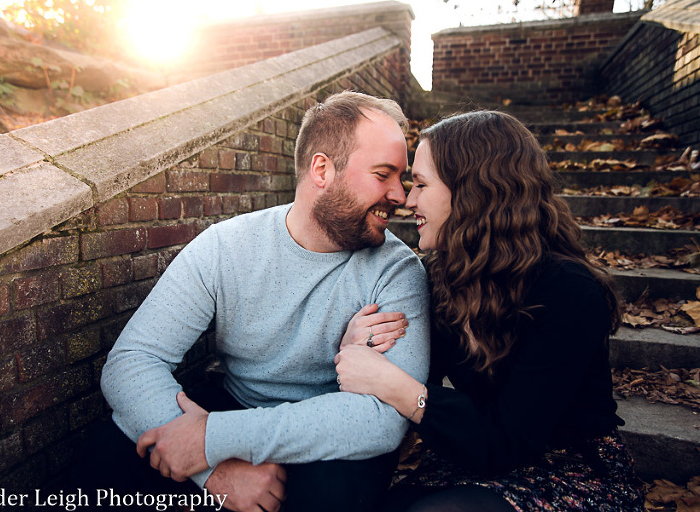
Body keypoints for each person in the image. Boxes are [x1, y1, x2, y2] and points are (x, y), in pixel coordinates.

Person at [98, 91, 431, 512]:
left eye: (402, 178)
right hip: (236, 406)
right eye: (384, 174)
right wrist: (213, 470)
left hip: (332, 433)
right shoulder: (226, 247)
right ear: (323, 169)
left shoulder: (397, 271)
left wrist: (213, 439)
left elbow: (382, 420)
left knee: (333, 495)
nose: (400, 195)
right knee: (111, 451)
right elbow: (132, 360)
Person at [334, 111, 646, 512]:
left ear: (472, 193)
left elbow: (509, 439)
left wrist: (395, 387)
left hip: (569, 466)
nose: (407, 200)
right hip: (474, 454)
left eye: (422, 185)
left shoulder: (568, 290)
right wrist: (358, 345)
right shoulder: (442, 275)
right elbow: (411, 370)